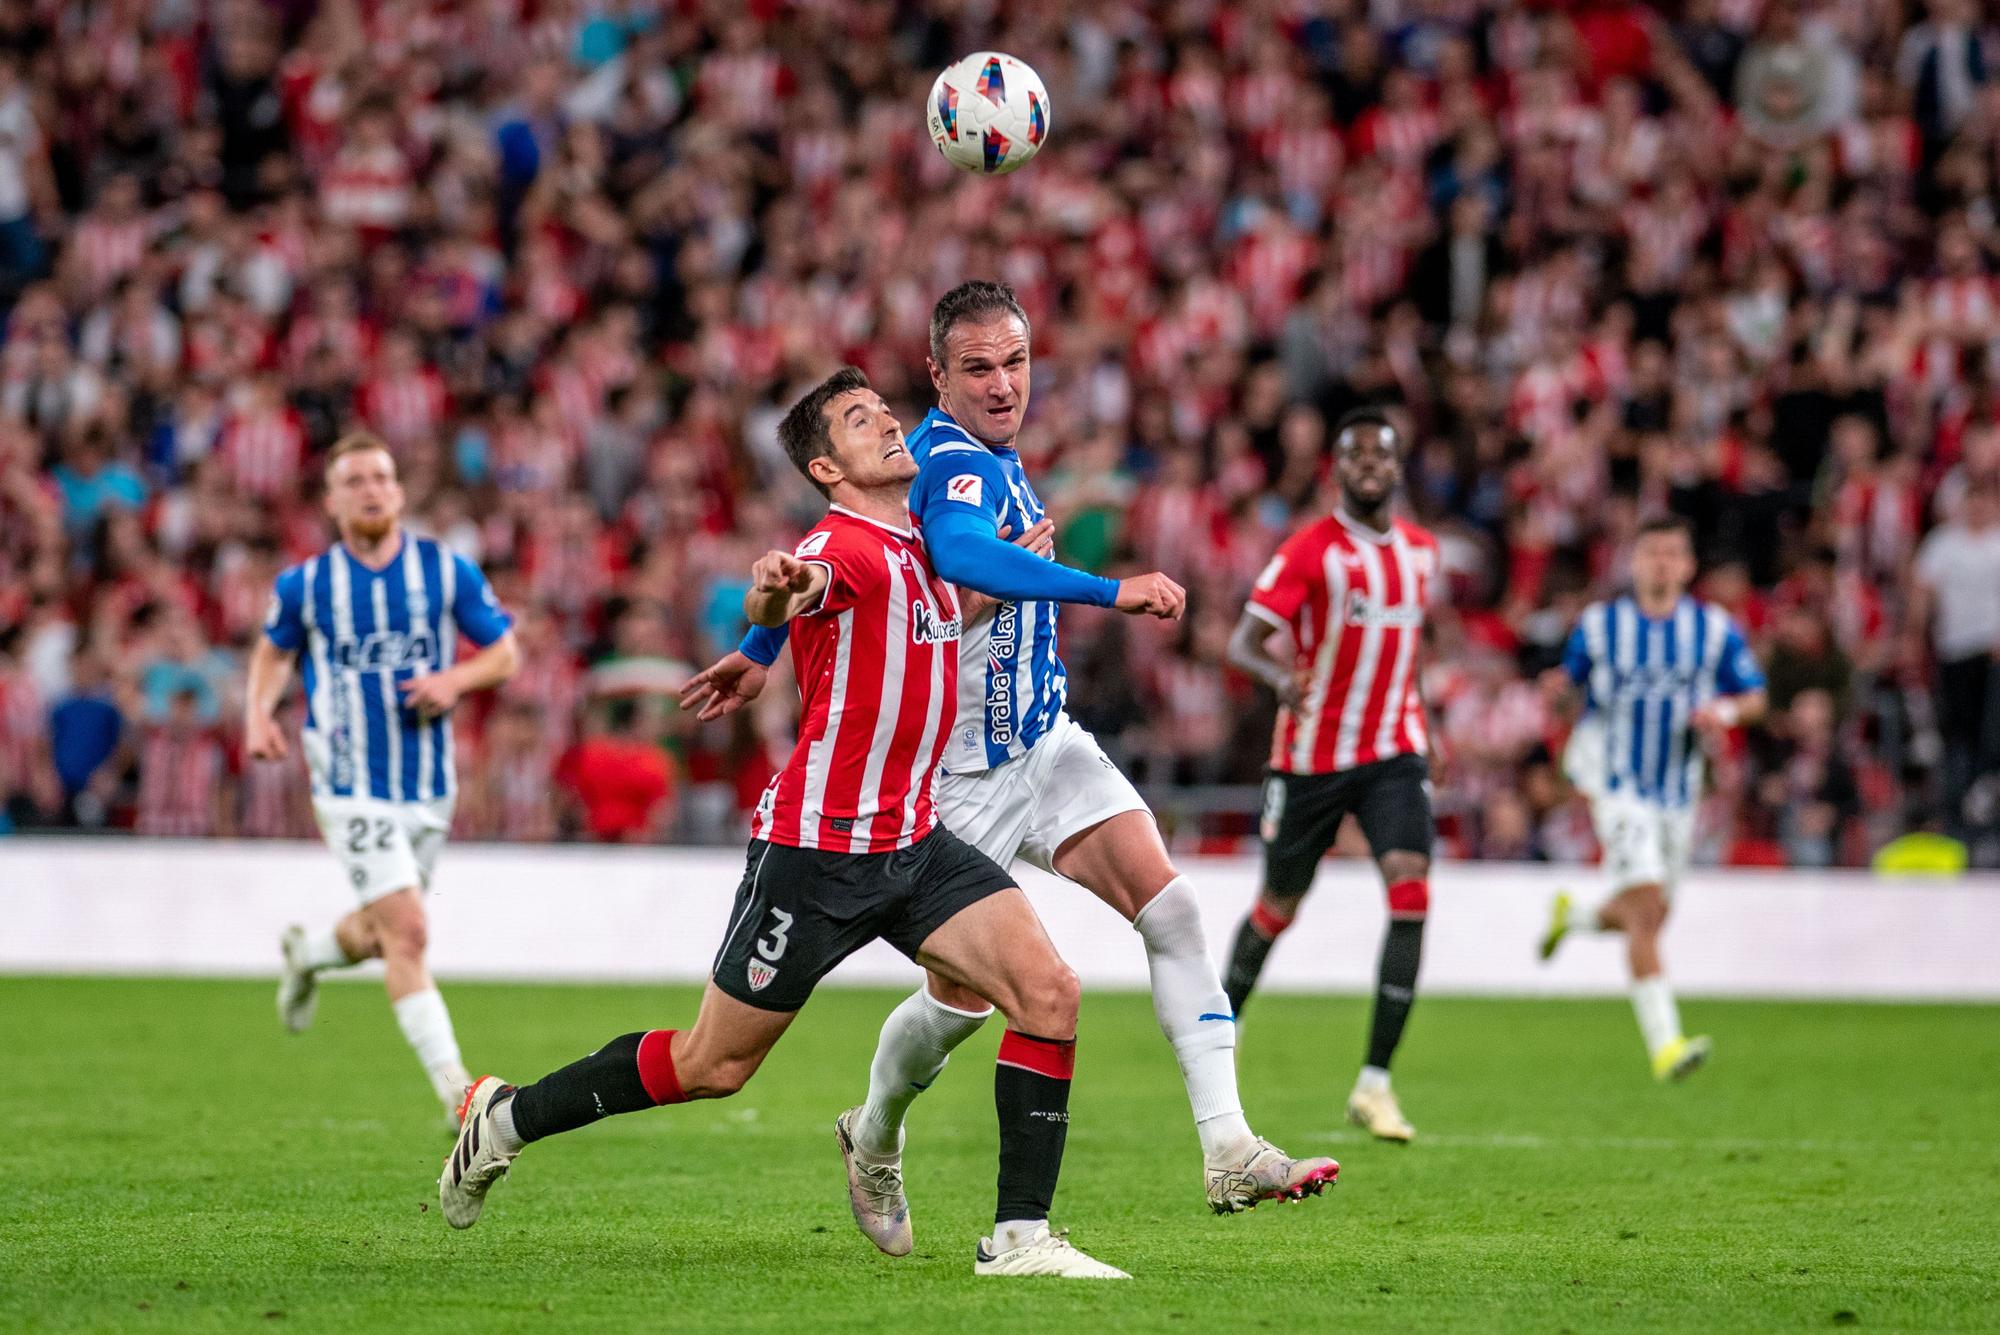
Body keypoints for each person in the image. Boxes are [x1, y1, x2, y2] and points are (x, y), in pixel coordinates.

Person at [681, 283, 1338, 1247]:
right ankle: (873, 1130)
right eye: (977, 368)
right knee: (961, 1006)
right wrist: (1111, 590)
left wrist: (760, 647)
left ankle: (1228, 1147)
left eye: (1015, 363)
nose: (1002, 385)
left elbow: (837, 575)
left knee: (1174, 908)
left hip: (1043, 738)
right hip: (958, 773)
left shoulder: (991, 454)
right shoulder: (948, 463)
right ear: (939, 377)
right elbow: (953, 550)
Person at [441, 368, 1129, 1280]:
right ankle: (507, 1116)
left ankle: (1019, 1239)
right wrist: (770, 601)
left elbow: (920, 623)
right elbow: (800, 586)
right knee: (712, 1064)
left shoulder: (924, 542)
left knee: (1049, 993)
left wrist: (773, 650)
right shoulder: (836, 545)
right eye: (857, 420)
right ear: (824, 466)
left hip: (913, 842)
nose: (886, 421)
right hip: (816, 852)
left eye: (882, 408)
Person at [247, 432, 520, 1124]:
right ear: (334, 500)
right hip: (347, 779)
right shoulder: (307, 585)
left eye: (382, 477)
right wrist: (258, 712)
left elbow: (504, 653)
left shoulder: (445, 571)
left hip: (427, 784)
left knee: (384, 931)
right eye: (356, 480)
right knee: (410, 930)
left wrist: (452, 679)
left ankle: (308, 955)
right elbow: (273, 652)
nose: (371, 489)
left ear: (398, 491)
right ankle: (459, 1091)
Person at [1220, 407, 1442, 1143]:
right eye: (1357, 454)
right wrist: (1280, 680)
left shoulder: (1422, 552)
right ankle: (1225, 1019)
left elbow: (1406, 647)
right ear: (1337, 469)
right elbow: (1244, 641)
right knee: (1278, 904)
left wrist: (1421, 723)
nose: (1371, 464)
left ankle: (1375, 1083)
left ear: (1399, 466)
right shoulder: (1311, 549)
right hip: (1312, 755)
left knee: (1410, 891)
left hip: (1392, 751)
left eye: (1384, 452)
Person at [1538, 515, 1768, 1081]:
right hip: (1616, 784)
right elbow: (1568, 694)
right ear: (1633, 562)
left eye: (1672, 554)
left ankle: (1580, 915)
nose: (1662, 563)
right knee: (1646, 910)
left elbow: (1756, 696)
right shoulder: (1598, 626)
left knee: (1652, 914)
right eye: (1651, 553)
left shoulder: (1712, 629)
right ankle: (1667, 1045)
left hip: (1677, 792)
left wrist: (1725, 711)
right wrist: (1558, 695)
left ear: (1688, 566)